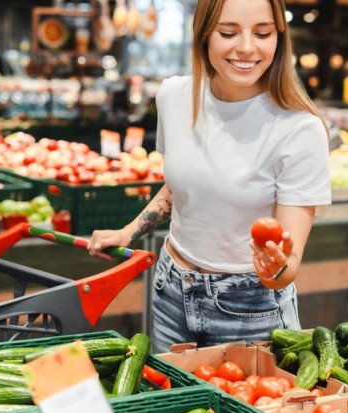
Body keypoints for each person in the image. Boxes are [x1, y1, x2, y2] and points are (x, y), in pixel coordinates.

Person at [88, 0, 331, 353]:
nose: (247, 47)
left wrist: (273, 269)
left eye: (262, 33)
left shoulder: (299, 130)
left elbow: (288, 265)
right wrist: (130, 231)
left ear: (279, 37)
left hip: (249, 307)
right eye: (228, 32)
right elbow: (181, 188)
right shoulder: (174, 96)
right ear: (204, 35)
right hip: (170, 290)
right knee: (174, 405)